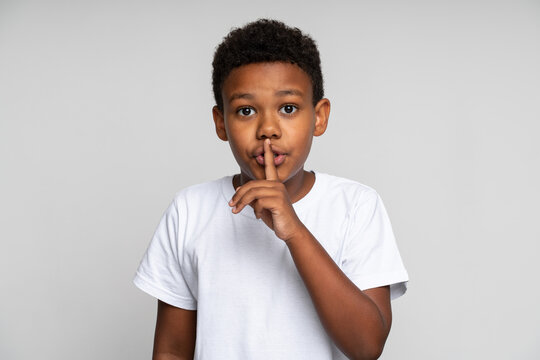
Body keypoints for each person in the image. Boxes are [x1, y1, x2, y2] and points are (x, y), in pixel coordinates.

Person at [134, 19, 408, 360]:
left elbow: (367, 346)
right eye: (246, 110)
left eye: (288, 108)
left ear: (319, 117)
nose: (267, 129)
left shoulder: (356, 206)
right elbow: (172, 351)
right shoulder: (189, 210)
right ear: (221, 123)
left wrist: (294, 231)